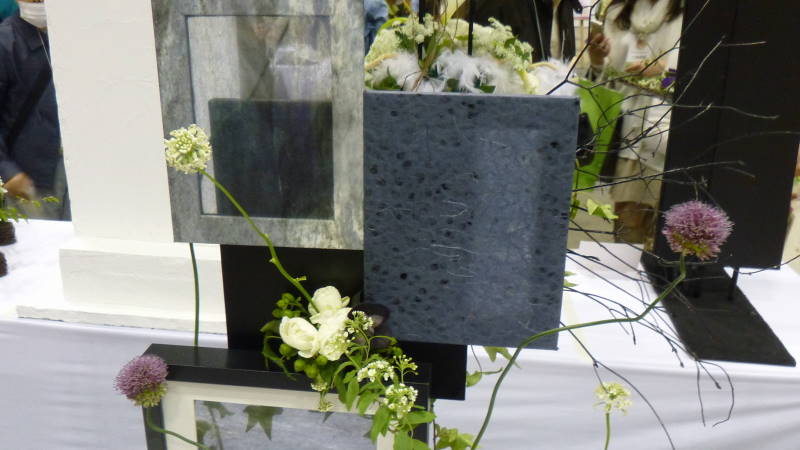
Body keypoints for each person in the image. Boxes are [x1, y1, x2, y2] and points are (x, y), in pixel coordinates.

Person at [587, 0, 683, 245]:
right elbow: (607, 79)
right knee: (628, 226)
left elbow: (701, 73)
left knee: (669, 231)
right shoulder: (618, 12)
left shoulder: (691, 13)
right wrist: (597, 59)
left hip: (669, 133)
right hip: (628, 132)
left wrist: (664, 72)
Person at [0, 0, 68, 219]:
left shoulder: (76, 36)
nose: (40, 2)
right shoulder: (6, 43)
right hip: (29, 180)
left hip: (78, 174)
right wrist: (7, 171)